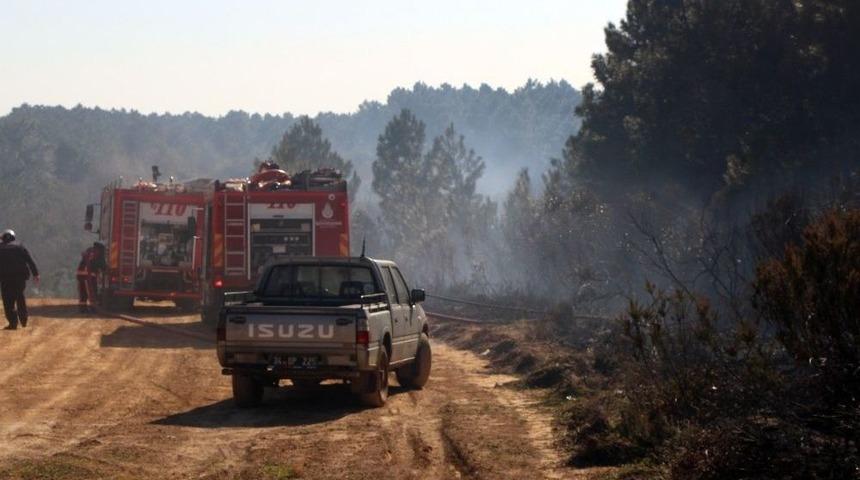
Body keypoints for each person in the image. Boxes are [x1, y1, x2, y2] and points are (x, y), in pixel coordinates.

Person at [0, 229, 39, 329]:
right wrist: (36, 274)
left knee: (8, 301)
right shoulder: (20, 247)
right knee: (20, 297)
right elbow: (30, 261)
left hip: (5, 279)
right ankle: (24, 319)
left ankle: (13, 323)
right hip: (20, 278)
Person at [76, 241, 106, 313]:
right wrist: (107, 270)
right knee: (92, 292)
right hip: (90, 276)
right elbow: (102, 265)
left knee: (83, 292)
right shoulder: (99, 254)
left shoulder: (89, 250)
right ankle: (93, 308)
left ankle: (82, 309)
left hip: (80, 274)